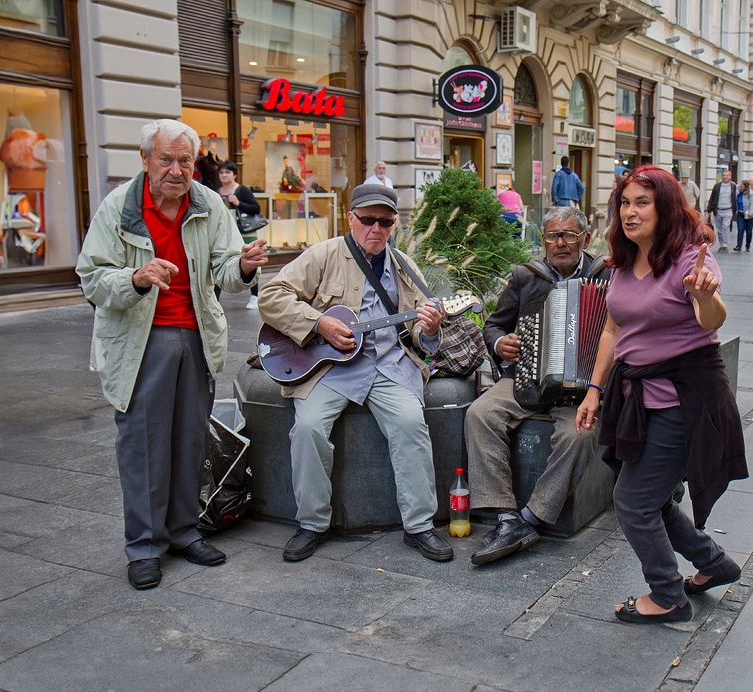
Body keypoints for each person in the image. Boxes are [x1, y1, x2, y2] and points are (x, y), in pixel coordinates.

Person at [75, 119, 268, 590]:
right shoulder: (118, 208)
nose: (176, 170)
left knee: (189, 441)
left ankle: (184, 531)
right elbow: (92, 278)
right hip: (141, 340)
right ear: (145, 160)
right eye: (166, 159)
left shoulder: (207, 205)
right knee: (143, 446)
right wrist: (136, 279)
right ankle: (144, 545)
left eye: (185, 161)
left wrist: (242, 265)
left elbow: (223, 268)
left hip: (197, 337)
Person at [575, 165, 746, 624]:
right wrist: (594, 389)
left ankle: (668, 596)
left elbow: (711, 319)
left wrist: (705, 294)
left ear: (665, 206)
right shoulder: (626, 260)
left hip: (683, 401)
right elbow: (613, 327)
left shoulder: (691, 260)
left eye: (641, 203)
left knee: (633, 501)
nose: (629, 213)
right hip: (636, 400)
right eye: (624, 203)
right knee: (647, 497)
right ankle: (712, 564)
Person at [257, 184, 454, 563]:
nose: (376, 229)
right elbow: (271, 296)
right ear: (351, 218)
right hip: (331, 368)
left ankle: (419, 526)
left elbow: (421, 337)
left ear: (393, 224)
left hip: (388, 364)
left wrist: (429, 328)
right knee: (309, 427)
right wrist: (319, 324)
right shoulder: (323, 254)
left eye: (384, 221)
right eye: (367, 220)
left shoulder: (405, 268)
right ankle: (312, 524)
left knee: (411, 423)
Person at [466, 207, 608, 566]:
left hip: (580, 389)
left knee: (581, 434)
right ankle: (504, 515)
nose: (560, 243)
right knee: (480, 413)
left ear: (585, 239)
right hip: (526, 378)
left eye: (569, 235)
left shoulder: (606, 277)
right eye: (552, 236)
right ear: (543, 240)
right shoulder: (525, 276)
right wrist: (501, 344)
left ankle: (532, 518)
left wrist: (598, 387)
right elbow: (494, 326)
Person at [218, 160, 262, 310]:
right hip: (224, 233)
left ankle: (255, 296)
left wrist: (237, 203)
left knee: (250, 261)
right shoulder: (216, 192)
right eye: (221, 172)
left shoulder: (242, 190)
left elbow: (256, 208)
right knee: (219, 262)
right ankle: (215, 300)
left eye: (227, 172)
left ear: (234, 174)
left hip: (245, 232)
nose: (224, 175)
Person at [705, 169, 737, 253]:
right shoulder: (717, 186)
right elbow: (712, 197)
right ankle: (721, 244)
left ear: (730, 176)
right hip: (718, 210)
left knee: (725, 227)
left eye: (727, 175)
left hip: (728, 210)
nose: (725, 177)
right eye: (724, 175)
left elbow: (736, 199)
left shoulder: (733, 187)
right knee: (719, 229)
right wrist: (709, 208)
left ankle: (725, 245)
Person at [733, 180, 753, 252]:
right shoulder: (738, 192)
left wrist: (749, 214)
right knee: (740, 230)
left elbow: (752, 205)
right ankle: (739, 246)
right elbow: (735, 186)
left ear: (745, 187)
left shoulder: (751, 193)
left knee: (749, 231)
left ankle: (748, 245)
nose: (740, 187)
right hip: (740, 214)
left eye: (741, 186)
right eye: (740, 186)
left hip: (751, 215)